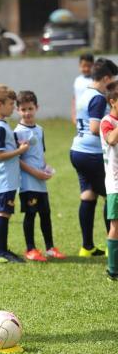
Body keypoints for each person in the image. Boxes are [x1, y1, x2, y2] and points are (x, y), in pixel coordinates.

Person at [70, 58, 118, 257]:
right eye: (113, 80)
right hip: (91, 153)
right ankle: (111, 246)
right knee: (111, 193)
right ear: (105, 78)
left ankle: (87, 247)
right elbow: (94, 128)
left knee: (88, 195)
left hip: (77, 150)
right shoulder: (98, 97)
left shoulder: (84, 93)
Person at [14, 90, 66, 261]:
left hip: (40, 181)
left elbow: (40, 153)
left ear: (37, 108)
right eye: (23, 109)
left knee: (46, 213)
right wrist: (35, 172)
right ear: (17, 110)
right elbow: (17, 160)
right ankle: (30, 249)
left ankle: (50, 247)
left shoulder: (40, 129)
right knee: (30, 214)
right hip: (28, 182)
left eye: (30, 108)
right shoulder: (17, 132)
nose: (27, 113)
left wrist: (45, 169)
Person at [0, 84, 29, 263]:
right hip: (3, 177)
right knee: (3, 212)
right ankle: (1, 251)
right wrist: (19, 151)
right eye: (11, 104)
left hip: (8, 177)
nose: (13, 107)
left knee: (5, 212)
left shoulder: (2, 125)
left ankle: (3, 249)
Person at [100, 80, 118, 281]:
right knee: (116, 225)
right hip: (115, 185)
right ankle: (113, 269)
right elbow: (111, 139)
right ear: (113, 101)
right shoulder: (108, 122)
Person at [71, 54, 94, 124]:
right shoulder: (77, 80)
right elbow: (74, 98)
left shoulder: (95, 81)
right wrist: (73, 114)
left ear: (93, 66)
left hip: (92, 116)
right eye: (84, 66)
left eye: (89, 66)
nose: (86, 69)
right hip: (79, 116)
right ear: (79, 65)